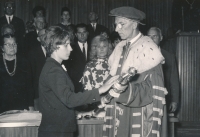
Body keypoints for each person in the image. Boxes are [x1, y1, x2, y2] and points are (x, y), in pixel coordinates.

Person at [38, 26, 118, 137]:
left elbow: (59, 103)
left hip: (58, 129)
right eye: (66, 45)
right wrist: (100, 90)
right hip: (57, 132)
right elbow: (69, 99)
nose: (71, 48)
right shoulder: (53, 70)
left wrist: (83, 113)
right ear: (56, 46)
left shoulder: (54, 66)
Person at [103, 7, 168, 137]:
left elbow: (154, 89)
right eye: (116, 25)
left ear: (134, 24)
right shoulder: (120, 47)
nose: (116, 29)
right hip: (117, 111)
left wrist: (124, 90)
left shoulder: (149, 48)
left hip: (137, 113)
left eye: (122, 24)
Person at [147, 27, 179, 113]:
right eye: (149, 36)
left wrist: (174, 100)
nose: (151, 39)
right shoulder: (141, 55)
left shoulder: (169, 57)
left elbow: (174, 80)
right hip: (146, 98)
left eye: (154, 36)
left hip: (163, 98)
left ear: (161, 38)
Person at [79, 34, 113, 116]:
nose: (101, 49)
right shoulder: (89, 66)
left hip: (112, 102)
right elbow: (88, 91)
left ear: (108, 48)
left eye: (104, 46)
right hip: (96, 105)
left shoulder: (113, 64)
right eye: (98, 46)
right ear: (95, 48)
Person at [0, 34, 34, 113]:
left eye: (14, 44)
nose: (12, 47)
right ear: (2, 48)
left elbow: (29, 86)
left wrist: (31, 106)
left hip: (22, 106)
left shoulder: (24, 62)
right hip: (2, 107)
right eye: (8, 44)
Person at [62, 23, 90, 93]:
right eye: (79, 33)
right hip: (76, 85)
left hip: (91, 84)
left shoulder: (93, 47)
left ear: (87, 33)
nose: (82, 35)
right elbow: (67, 68)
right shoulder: (70, 48)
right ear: (76, 35)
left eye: (84, 32)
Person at [28, 29, 46, 110]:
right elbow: (31, 76)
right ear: (38, 39)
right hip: (39, 95)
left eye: (47, 35)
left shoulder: (56, 51)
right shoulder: (33, 53)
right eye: (42, 35)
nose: (46, 37)